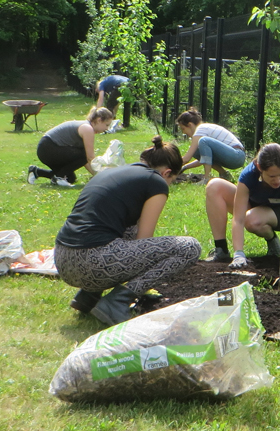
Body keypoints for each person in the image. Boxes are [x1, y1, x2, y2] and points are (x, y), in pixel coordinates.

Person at [54, 136, 202, 327]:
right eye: (172, 181)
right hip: (91, 264)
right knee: (189, 247)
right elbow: (143, 240)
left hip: (63, 260)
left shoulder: (113, 172)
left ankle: (88, 297)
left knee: (127, 228)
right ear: (166, 173)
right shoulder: (155, 181)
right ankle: (117, 302)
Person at [204, 143, 280, 271]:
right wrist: (239, 253)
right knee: (214, 186)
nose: (277, 181)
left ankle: (271, 239)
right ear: (259, 167)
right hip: (254, 206)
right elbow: (238, 219)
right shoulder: (248, 174)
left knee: (251, 219)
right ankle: (221, 250)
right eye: (272, 176)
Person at [27, 107, 112, 187]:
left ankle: (36, 171)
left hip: (47, 149)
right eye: (107, 125)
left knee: (70, 178)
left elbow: (84, 161)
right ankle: (58, 178)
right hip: (47, 149)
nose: (107, 128)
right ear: (99, 120)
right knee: (82, 155)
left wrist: (96, 175)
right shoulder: (87, 128)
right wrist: (100, 176)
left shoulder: (87, 127)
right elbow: (89, 157)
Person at [176, 107, 246, 183]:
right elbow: (205, 158)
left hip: (237, 155)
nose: (184, 132)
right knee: (196, 151)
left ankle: (206, 178)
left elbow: (187, 158)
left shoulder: (200, 129)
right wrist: (185, 167)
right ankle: (224, 174)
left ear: (190, 125)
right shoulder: (204, 128)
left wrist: (170, 165)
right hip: (235, 157)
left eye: (183, 128)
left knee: (204, 141)